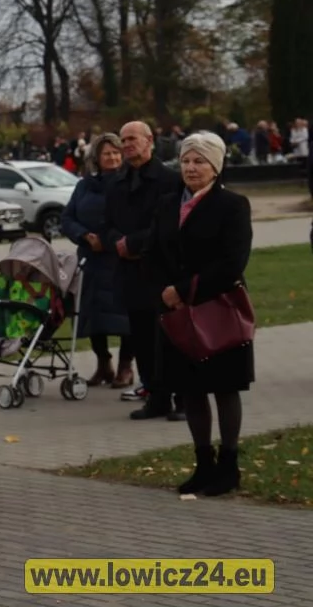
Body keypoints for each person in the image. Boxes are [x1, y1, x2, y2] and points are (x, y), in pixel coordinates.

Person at [147, 133, 253, 497]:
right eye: (186, 161)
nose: (191, 168)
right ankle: (203, 462)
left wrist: (187, 289)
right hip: (176, 312)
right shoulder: (166, 204)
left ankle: (229, 464)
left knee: (224, 388)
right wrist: (167, 292)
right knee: (190, 389)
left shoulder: (232, 205)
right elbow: (155, 252)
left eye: (200, 162)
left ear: (215, 166)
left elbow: (233, 262)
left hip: (217, 310)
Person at [104, 121, 183, 419]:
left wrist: (135, 243)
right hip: (131, 274)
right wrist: (116, 243)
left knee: (170, 337)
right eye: (123, 140)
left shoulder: (169, 180)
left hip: (162, 270)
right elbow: (107, 223)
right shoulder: (116, 183)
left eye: (132, 138)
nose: (126, 145)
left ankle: (183, 398)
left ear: (150, 140)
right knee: (142, 338)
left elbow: (169, 224)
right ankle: (156, 396)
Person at [61, 133, 134, 389]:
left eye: (116, 152)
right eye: (107, 153)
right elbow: (67, 218)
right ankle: (104, 364)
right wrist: (84, 235)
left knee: (126, 316)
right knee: (92, 316)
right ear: (97, 158)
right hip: (90, 260)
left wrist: (111, 239)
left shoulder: (130, 183)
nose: (112, 157)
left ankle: (126, 366)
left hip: (121, 258)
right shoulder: (84, 186)